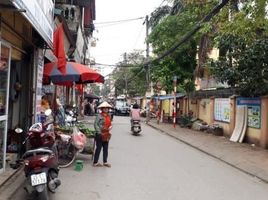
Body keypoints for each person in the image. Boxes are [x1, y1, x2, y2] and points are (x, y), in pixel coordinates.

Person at [93, 101, 113, 167]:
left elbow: (110, 123)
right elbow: (96, 124)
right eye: (104, 108)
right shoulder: (99, 116)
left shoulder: (109, 116)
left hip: (106, 134)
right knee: (98, 148)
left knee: (106, 148)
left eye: (107, 108)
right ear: (102, 109)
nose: (106, 109)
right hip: (100, 134)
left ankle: (105, 162)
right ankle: (95, 162)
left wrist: (110, 127)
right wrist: (99, 132)